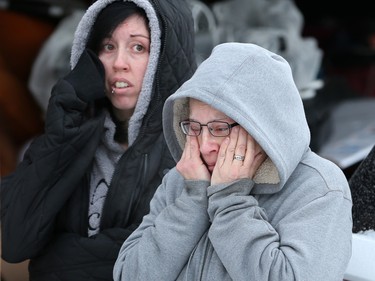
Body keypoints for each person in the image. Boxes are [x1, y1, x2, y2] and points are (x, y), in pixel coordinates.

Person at [113, 42, 353, 281]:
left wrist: (230, 200)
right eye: (194, 127)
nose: (205, 146)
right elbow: (129, 275)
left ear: (261, 126)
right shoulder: (184, 177)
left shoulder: (318, 188)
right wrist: (192, 200)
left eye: (219, 128)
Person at [1, 0, 196, 280]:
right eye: (108, 46)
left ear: (164, 57)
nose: (119, 63)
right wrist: (63, 129)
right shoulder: (69, 136)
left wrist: (53, 261)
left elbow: (162, 264)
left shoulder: (189, 153)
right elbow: (15, 243)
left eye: (138, 47)